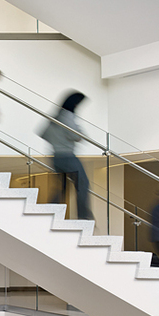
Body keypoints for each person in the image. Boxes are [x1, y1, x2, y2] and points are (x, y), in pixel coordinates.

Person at [42, 91, 93, 224]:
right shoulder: (67, 115)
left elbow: (44, 134)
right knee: (83, 183)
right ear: (75, 103)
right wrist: (79, 135)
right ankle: (83, 216)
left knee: (62, 187)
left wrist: (58, 141)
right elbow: (75, 135)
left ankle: (49, 211)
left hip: (55, 156)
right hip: (68, 156)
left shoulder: (55, 116)